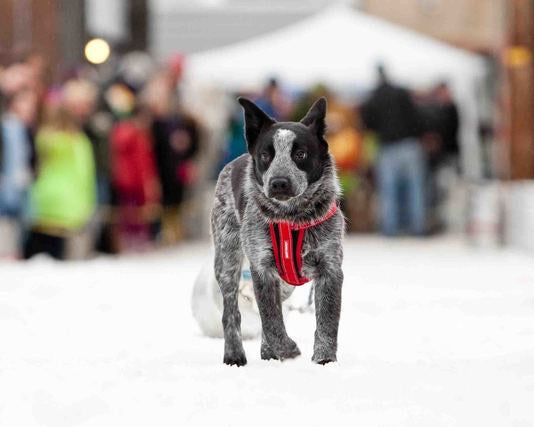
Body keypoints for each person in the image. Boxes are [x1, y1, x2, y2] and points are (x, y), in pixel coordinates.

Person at [24, 90, 97, 259]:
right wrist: (88, 200)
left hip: (44, 197)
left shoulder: (43, 138)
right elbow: (84, 171)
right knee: (65, 256)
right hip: (70, 199)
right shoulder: (78, 142)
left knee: (40, 253)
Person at [361, 65, 426, 236]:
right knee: (415, 189)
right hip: (409, 144)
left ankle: (390, 229)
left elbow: (367, 123)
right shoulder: (401, 93)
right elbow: (417, 116)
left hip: (387, 147)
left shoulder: (373, 97)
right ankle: (417, 227)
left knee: (388, 190)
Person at [110, 104, 161, 252]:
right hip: (128, 180)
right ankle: (128, 241)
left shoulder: (143, 135)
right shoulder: (127, 131)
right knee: (129, 214)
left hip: (141, 181)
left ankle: (140, 239)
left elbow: (145, 160)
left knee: (141, 213)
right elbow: (120, 147)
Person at [0, 89, 37, 257]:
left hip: (21, 184)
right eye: (25, 103)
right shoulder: (6, 126)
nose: (30, 108)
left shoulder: (26, 129)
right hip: (6, 182)